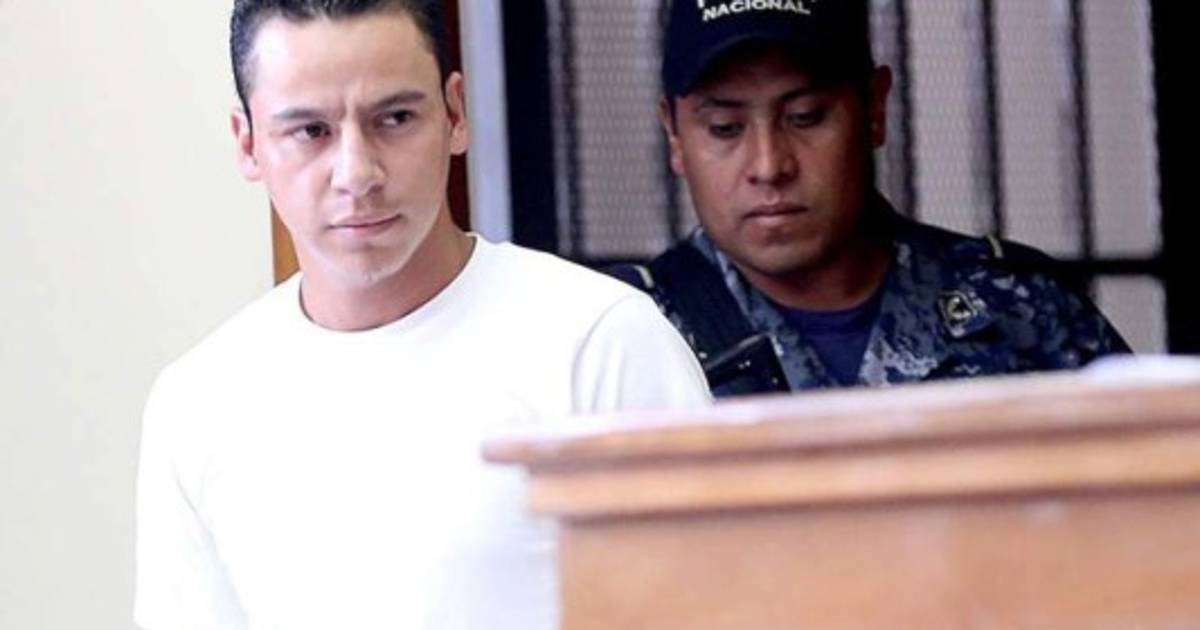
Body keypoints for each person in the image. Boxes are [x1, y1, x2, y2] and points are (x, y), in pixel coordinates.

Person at [134, 2, 710, 629]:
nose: (357, 173)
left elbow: (720, 607)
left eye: (395, 118)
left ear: (454, 114)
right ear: (247, 143)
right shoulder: (198, 402)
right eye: (310, 131)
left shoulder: (599, 342)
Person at [610, 0, 1129, 397]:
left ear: (875, 109)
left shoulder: (1017, 308)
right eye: (725, 128)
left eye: (806, 117)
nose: (769, 166)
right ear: (674, 135)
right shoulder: (625, 339)